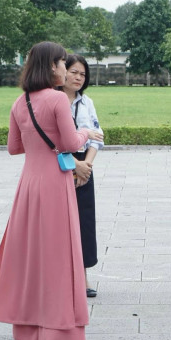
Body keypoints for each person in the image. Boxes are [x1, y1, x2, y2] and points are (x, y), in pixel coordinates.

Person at [0, 41, 100, 340]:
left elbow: (13, 148)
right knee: (59, 255)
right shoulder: (57, 100)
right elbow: (72, 144)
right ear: (50, 66)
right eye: (61, 63)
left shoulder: (20, 103)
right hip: (55, 185)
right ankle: (59, 328)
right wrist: (86, 133)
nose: (64, 68)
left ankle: (27, 327)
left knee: (31, 256)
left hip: (28, 187)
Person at [60, 54, 105, 299]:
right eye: (74, 72)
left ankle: (83, 278)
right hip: (60, 164)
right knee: (60, 224)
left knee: (84, 223)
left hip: (84, 167)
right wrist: (74, 164)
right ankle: (61, 278)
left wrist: (86, 165)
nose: (78, 77)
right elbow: (52, 140)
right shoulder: (53, 100)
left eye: (83, 74)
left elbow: (98, 136)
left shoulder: (86, 102)